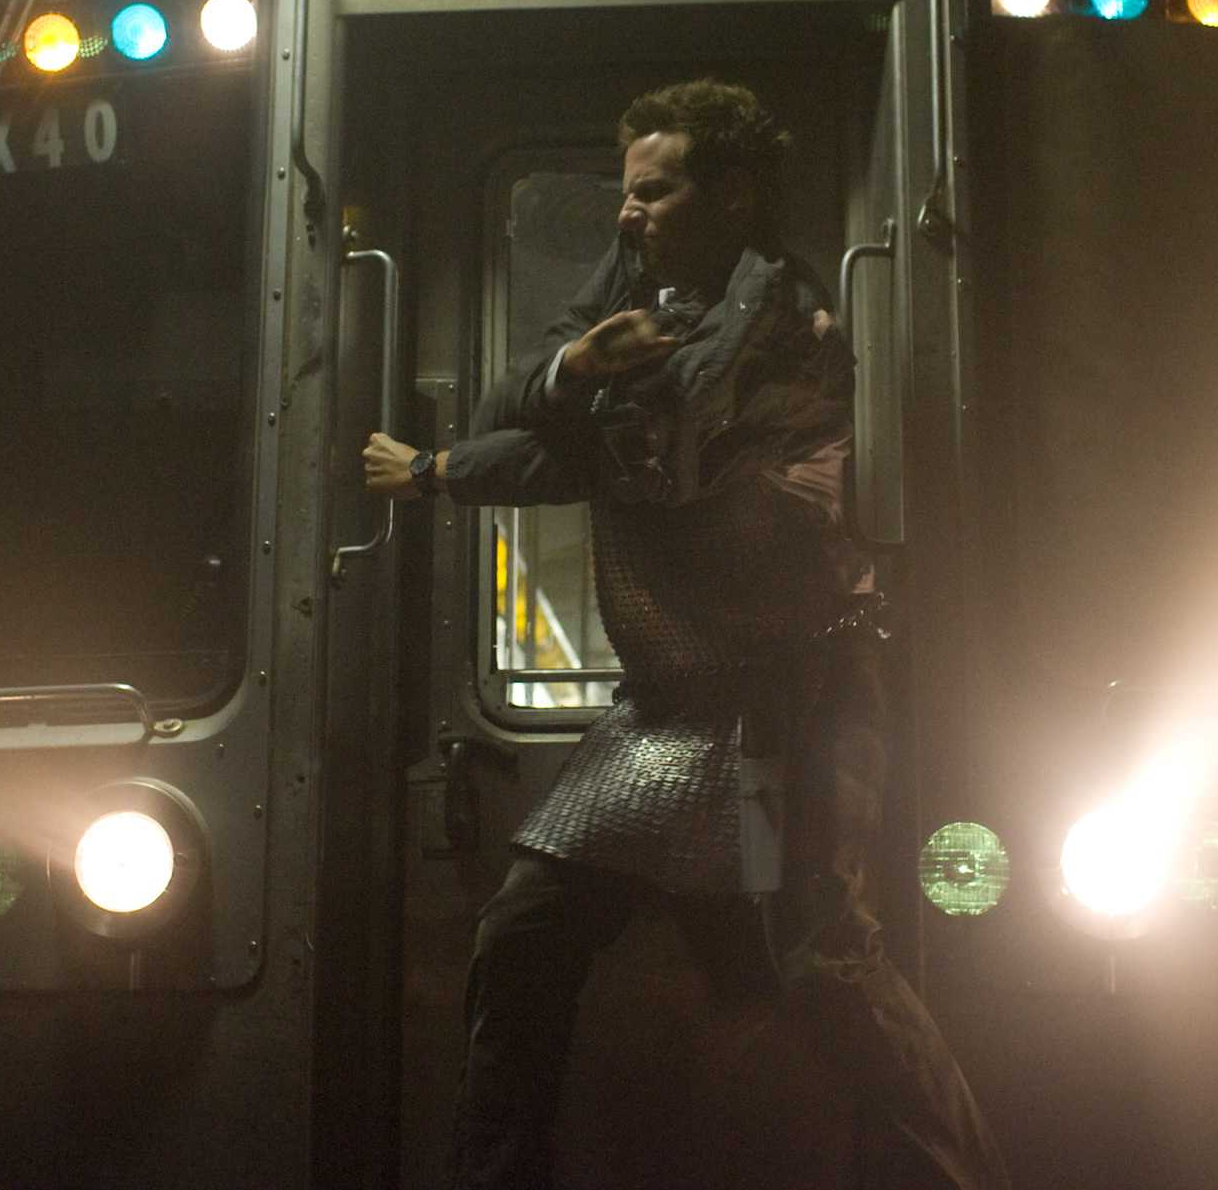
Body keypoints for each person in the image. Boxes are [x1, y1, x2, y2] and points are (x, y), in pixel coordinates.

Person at [364, 80, 1004, 1190]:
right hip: (666, 707)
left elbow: (626, 456)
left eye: (655, 192)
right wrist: (577, 366)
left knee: (825, 964)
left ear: (733, 197)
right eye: (628, 191)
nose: (629, 212)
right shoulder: (632, 287)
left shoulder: (786, 321)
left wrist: (439, 470)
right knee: (523, 936)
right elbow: (523, 398)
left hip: (791, 693)